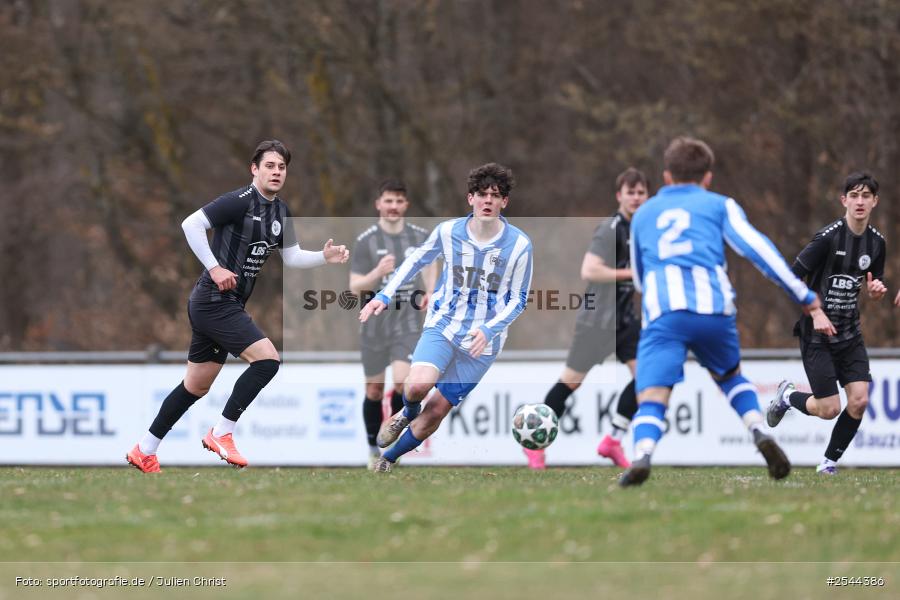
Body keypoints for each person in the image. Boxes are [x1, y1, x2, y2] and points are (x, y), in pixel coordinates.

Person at [126, 140, 349, 473]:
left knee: (196, 385)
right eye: (269, 166)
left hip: (219, 303)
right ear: (254, 169)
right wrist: (215, 268)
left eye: (282, 167)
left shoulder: (281, 211)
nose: (276, 172)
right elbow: (191, 224)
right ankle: (222, 432)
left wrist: (323, 257)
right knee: (268, 361)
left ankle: (144, 450)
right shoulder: (238, 201)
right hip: (215, 301)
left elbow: (291, 257)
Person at [621, 136, 831, 486]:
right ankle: (757, 430)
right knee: (731, 376)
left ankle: (643, 452)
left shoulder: (643, 214)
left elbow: (640, 277)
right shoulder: (719, 205)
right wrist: (803, 294)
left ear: (667, 176)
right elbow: (756, 249)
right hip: (713, 310)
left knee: (652, 394)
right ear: (707, 178)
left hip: (665, 315)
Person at [358, 163, 533, 473]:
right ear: (470, 199)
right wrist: (384, 296)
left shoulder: (519, 245)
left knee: (438, 409)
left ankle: (387, 459)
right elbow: (415, 261)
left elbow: (519, 299)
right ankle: (406, 413)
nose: (488, 201)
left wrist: (490, 329)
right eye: (482, 194)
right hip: (443, 325)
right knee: (415, 387)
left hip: (482, 344)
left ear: (505, 202)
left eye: (495, 195)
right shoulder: (448, 232)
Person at [527, 168, 649, 470]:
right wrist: (631, 274)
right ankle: (536, 446)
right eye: (630, 192)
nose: (635, 198)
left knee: (647, 377)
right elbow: (590, 270)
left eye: (640, 192)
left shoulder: (642, 229)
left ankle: (613, 442)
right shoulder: (610, 228)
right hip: (597, 321)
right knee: (570, 382)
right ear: (619, 196)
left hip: (625, 321)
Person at [766, 172, 887, 475]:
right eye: (854, 196)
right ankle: (788, 397)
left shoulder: (876, 244)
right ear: (844, 200)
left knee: (858, 401)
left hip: (849, 333)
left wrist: (875, 293)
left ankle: (828, 464)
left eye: (866, 196)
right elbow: (790, 277)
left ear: (875, 201)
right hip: (816, 334)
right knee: (829, 409)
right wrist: (815, 311)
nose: (860, 201)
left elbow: (873, 284)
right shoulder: (828, 238)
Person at [350, 179, 436, 469]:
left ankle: (392, 444)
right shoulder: (366, 241)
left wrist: (431, 291)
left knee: (403, 381)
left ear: (406, 204)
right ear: (378, 204)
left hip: (408, 320)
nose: (394, 206)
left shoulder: (420, 236)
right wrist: (377, 272)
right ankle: (373, 448)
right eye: (388, 201)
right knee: (374, 390)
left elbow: (431, 266)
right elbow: (354, 288)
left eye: (399, 201)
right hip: (374, 322)